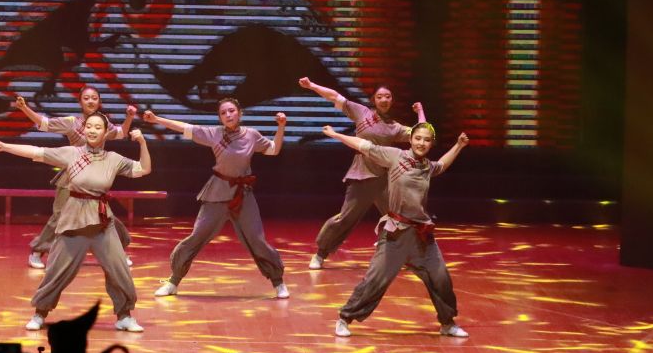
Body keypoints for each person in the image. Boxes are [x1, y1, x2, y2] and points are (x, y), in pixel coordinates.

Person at [0, 115, 151, 332]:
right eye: (89, 126)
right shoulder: (72, 153)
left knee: (119, 269)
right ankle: (39, 313)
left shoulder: (113, 159)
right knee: (57, 270)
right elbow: (36, 151)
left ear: (106, 132)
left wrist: (142, 142)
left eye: (97, 127)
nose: (92, 130)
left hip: (102, 221)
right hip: (74, 220)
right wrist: (6, 147)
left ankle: (124, 316)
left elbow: (143, 169)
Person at [323, 122, 470, 336]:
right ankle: (345, 318)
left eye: (426, 140)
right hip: (396, 233)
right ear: (410, 139)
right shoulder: (395, 156)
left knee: (440, 278)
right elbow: (364, 145)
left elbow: (441, 165)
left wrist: (458, 146)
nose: (421, 143)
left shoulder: (427, 167)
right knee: (376, 280)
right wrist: (336, 134)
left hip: (422, 235)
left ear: (431, 143)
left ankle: (447, 323)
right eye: (418, 138)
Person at [143, 100, 289, 300]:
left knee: (256, 238)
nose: (228, 115)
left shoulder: (252, 135)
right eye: (223, 113)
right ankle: (173, 281)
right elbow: (185, 128)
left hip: (242, 194)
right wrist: (156, 119)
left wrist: (281, 127)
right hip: (218, 192)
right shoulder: (214, 133)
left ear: (240, 113)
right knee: (197, 235)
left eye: (232, 111)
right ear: (220, 117)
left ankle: (278, 282)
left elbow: (274, 149)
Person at [299, 76, 424, 269]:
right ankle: (321, 253)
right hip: (362, 175)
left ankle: (406, 255)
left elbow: (422, 133)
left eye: (388, 96)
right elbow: (335, 96)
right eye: (380, 96)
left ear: (392, 100)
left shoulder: (395, 127)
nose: (384, 100)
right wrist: (312, 85)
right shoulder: (362, 112)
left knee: (399, 217)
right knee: (345, 218)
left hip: (385, 179)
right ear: (374, 99)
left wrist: (420, 111)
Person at [14, 86, 137, 268]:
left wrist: (129, 117)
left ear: (99, 102)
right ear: (80, 102)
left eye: (94, 98)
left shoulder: (103, 123)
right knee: (60, 216)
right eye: (86, 98)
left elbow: (121, 133)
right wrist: (24, 108)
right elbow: (44, 123)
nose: (90, 101)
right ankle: (37, 251)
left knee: (103, 215)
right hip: (71, 177)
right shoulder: (72, 122)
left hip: (95, 177)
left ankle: (117, 252)